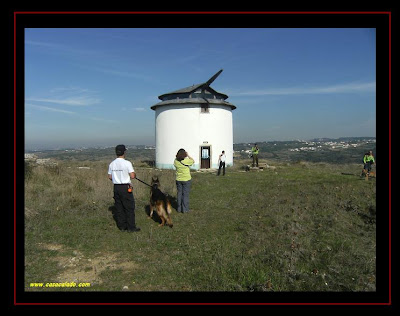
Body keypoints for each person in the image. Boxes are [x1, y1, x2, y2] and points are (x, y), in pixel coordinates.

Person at [108, 144, 140, 232]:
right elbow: (132, 176)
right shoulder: (127, 163)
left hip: (116, 187)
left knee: (119, 207)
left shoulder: (112, 164)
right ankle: (131, 227)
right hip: (125, 187)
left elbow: (110, 176)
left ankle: (122, 226)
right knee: (129, 207)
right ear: (124, 152)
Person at [173, 149, 194, 213]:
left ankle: (179, 209)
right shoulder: (186, 160)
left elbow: (175, 165)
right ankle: (185, 210)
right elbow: (193, 161)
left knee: (179, 194)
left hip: (178, 179)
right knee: (185, 195)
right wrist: (188, 155)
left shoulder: (175, 161)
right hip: (186, 179)